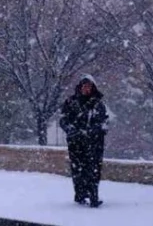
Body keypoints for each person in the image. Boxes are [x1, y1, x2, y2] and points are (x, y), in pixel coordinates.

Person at [59, 75, 108, 207]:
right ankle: (80, 195)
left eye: (89, 86)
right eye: (84, 86)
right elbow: (63, 120)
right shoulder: (71, 102)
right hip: (76, 143)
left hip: (94, 144)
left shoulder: (98, 104)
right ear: (80, 87)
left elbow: (104, 123)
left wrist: (93, 131)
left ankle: (93, 196)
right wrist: (71, 130)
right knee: (78, 170)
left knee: (93, 169)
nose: (87, 89)